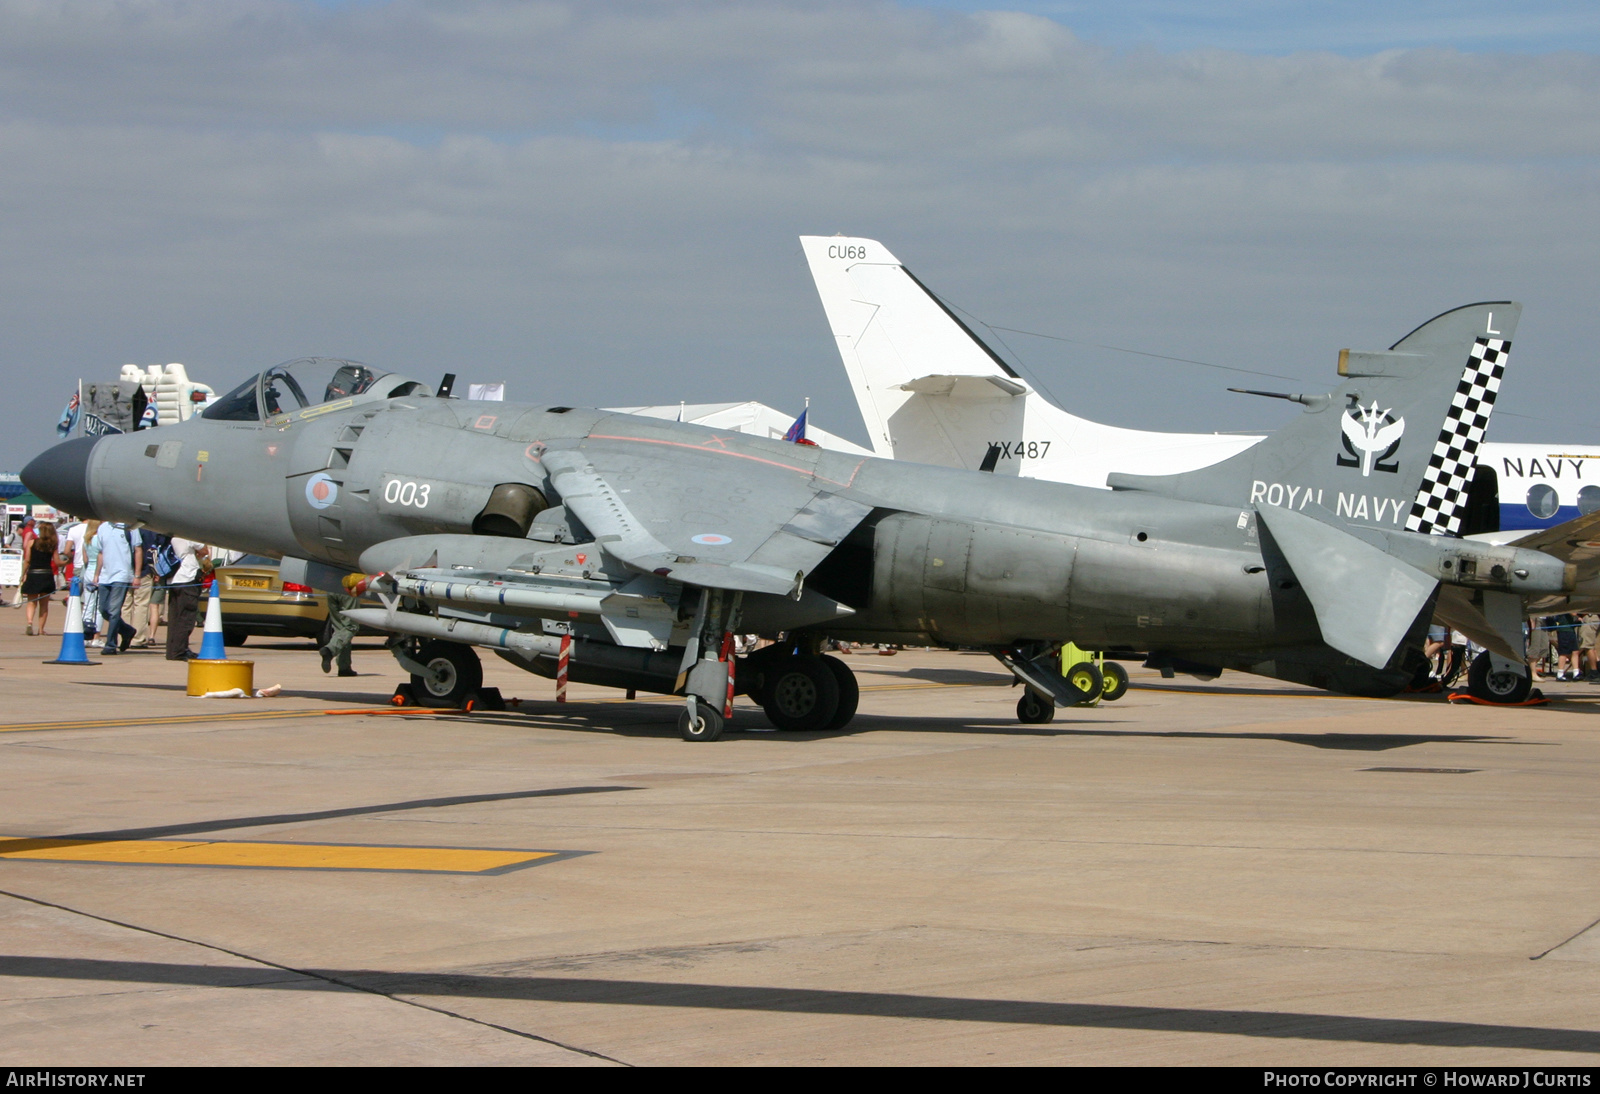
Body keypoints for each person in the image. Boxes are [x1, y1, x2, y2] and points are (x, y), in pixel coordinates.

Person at [91, 520, 142, 654]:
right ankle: (127, 630)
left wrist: (136, 575)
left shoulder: (130, 527)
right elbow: (101, 552)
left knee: (114, 611)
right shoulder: (103, 527)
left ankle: (111, 644)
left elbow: (138, 550)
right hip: (106, 575)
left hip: (122, 574)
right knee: (103, 610)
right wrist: (97, 573)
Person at [164, 536, 210, 660]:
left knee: (175, 618)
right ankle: (180, 651)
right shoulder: (187, 534)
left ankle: (172, 650)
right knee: (186, 618)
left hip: (173, 579)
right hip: (187, 578)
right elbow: (205, 550)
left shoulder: (170, 535)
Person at [130, 528, 170, 648]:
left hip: (126, 571)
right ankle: (138, 638)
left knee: (126, 606)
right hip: (146, 571)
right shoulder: (153, 530)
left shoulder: (126, 528)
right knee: (143, 605)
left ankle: (123, 636)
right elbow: (155, 551)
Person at [319, 574, 362, 677]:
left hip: (331, 588)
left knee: (340, 629)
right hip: (347, 585)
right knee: (350, 627)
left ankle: (344, 667)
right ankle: (330, 650)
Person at [20, 520, 57, 636]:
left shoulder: (32, 543)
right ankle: (41, 629)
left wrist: (22, 574)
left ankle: (30, 622)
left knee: (31, 602)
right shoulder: (52, 545)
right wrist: (67, 562)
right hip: (46, 574)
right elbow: (57, 562)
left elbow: (27, 560)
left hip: (33, 574)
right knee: (44, 604)